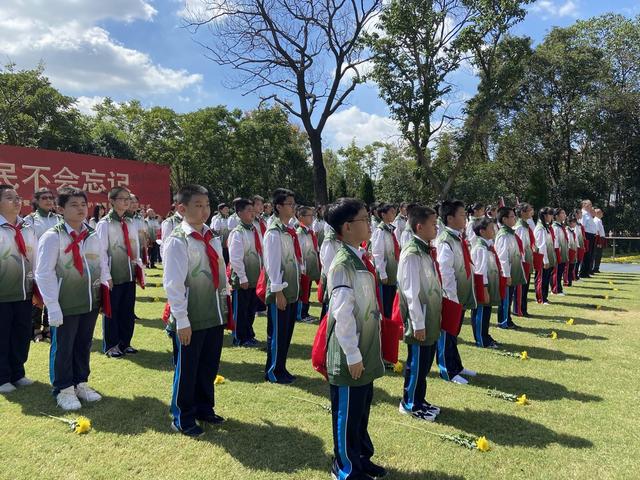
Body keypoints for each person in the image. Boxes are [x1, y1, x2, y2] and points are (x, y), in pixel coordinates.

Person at [325, 197, 386, 480]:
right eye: (364, 218)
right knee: (347, 412)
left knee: (361, 408)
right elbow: (342, 313)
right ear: (347, 227)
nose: (369, 222)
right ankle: (346, 466)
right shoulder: (342, 263)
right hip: (351, 349)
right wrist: (351, 354)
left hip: (365, 344)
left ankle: (361, 456)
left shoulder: (358, 256)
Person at [35, 187, 110, 410]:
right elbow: (43, 272)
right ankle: (63, 388)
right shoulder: (53, 236)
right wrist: (52, 306)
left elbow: (101, 262)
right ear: (61, 209)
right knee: (64, 345)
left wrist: (104, 284)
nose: (80, 210)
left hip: (89, 300)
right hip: (64, 302)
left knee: (83, 343)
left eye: (83, 205)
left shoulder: (92, 233)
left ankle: (80, 382)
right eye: (74, 205)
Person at [163, 185, 228, 437]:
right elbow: (173, 284)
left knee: (208, 366)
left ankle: (204, 408)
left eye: (207, 205)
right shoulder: (178, 241)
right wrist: (181, 319)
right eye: (198, 205)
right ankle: (183, 416)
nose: (205, 211)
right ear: (182, 208)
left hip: (214, 313)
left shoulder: (211, 235)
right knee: (187, 369)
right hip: (190, 316)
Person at [397, 205, 442, 421]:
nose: (436, 228)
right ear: (419, 226)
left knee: (425, 363)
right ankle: (409, 403)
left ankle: (420, 399)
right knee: (416, 364)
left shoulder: (424, 249)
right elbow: (410, 292)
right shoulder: (412, 253)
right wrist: (418, 323)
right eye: (433, 224)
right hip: (419, 319)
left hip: (430, 314)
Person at [0, 185, 38, 394]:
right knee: (2, 335)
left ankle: (18, 372)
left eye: (17, 197)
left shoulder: (27, 228)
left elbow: (37, 259)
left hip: (24, 292)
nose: (16, 201)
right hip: (2, 295)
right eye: (9, 198)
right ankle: (2, 376)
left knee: (22, 333)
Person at [96, 187, 142, 358]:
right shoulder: (104, 224)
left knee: (127, 311)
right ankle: (111, 345)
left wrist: (138, 270)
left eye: (128, 199)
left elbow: (135, 247)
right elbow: (101, 252)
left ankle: (125, 343)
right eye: (122, 198)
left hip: (129, 273)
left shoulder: (130, 222)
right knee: (112, 311)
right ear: (112, 201)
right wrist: (106, 276)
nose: (126, 202)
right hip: (113, 276)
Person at [263, 188, 302, 384]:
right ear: (278, 207)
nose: (293, 207)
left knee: (286, 333)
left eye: (293, 203)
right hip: (281, 291)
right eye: (289, 204)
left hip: (291, 290)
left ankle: (281, 367)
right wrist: (278, 291)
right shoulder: (274, 232)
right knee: (278, 333)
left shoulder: (289, 229)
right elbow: (272, 263)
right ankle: (273, 371)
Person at [436, 200, 477, 385]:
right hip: (450, 296)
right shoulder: (445, 240)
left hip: (460, 293)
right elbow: (445, 271)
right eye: (462, 215)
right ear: (450, 218)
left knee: (454, 332)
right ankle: (447, 370)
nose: (465, 218)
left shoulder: (458, 237)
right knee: (447, 334)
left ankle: (456, 365)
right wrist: (451, 298)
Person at [23, 188, 61, 342]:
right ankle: (36, 330)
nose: (48, 201)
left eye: (51, 198)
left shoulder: (58, 219)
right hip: (36, 265)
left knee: (52, 295)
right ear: (36, 201)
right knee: (37, 298)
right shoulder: (30, 220)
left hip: (57, 266)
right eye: (44, 198)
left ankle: (48, 328)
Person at [228, 198, 261, 347]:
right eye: (248, 210)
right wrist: (242, 277)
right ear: (239, 213)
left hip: (255, 277)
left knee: (251, 309)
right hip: (243, 279)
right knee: (241, 310)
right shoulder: (238, 232)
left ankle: (249, 334)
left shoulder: (254, 229)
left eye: (252, 210)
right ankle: (240, 337)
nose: (252, 213)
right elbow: (235, 258)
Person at [470, 217, 501, 348]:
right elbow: (480, 270)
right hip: (482, 285)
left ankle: (485, 335)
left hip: (487, 284)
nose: (494, 230)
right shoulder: (481, 248)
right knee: (481, 312)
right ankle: (481, 339)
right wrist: (484, 288)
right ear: (482, 231)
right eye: (490, 228)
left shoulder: (487, 246)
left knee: (486, 312)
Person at [495, 206, 526, 330]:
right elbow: (503, 257)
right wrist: (506, 275)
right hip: (506, 273)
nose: (515, 218)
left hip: (513, 270)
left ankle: (508, 319)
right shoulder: (503, 235)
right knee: (505, 298)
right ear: (504, 219)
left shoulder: (510, 233)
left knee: (509, 297)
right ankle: (503, 321)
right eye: (512, 216)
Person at [371, 203, 399, 320]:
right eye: (391, 212)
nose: (394, 214)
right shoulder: (380, 231)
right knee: (385, 302)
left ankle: (389, 324)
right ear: (383, 214)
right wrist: (382, 273)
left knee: (391, 301)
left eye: (394, 211)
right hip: (385, 272)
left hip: (393, 271)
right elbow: (377, 253)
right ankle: (385, 326)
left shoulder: (390, 229)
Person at [296, 205, 320, 323]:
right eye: (309, 215)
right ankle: (301, 314)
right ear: (301, 217)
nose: (312, 218)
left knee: (308, 289)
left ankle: (305, 312)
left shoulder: (309, 231)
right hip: (304, 267)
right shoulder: (300, 232)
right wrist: (301, 267)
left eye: (312, 215)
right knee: (303, 290)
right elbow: (299, 251)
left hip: (310, 265)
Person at [513, 203, 535, 317]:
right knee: (521, 286)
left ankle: (523, 308)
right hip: (522, 260)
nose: (531, 212)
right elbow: (519, 246)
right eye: (529, 210)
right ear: (522, 212)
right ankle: (518, 309)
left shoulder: (525, 225)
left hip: (527, 258)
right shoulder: (520, 227)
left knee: (525, 285)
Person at [534, 207, 556, 305]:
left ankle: (544, 297)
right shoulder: (540, 228)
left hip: (547, 256)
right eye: (550, 214)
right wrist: (545, 260)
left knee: (546, 278)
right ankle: (540, 298)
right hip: (542, 258)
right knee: (541, 278)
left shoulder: (545, 227)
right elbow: (541, 245)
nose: (552, 216)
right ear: (545, 216)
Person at [551, 208, 569, 296]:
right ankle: (555, 289)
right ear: (556, 216)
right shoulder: (555, 227)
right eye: (562, 213)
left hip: (563, 252)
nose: (565, 215)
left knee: (561, 271)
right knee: (557, 271)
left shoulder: (561, 226)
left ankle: (559, 288)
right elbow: (555, 241)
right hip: (558, 252)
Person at [579, 200, 597, 278]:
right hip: (587, 235)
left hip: (591, 236)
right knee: (586, 254)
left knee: (589, 255)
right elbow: (582, 226)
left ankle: (586, 272)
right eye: (590, 205)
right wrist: (583, 237)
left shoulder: (588, 214)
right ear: (584, 205)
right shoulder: (583, 214)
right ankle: (583, 273)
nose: (591, 207)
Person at [565, 215, 579, 287]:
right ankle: (567, 281)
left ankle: (569, 281)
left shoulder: (573, 231)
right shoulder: (567, 231)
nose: (575, 224)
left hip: (573, 250)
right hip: (569, 250)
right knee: (568, 267)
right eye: (574, 222)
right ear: (569, 223)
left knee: (572, 267)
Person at [593, 208, 606, 273]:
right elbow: (597, 231)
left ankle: (596, 267)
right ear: (597, 213)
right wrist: (599, 241)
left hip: (601, 238)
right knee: (597, 254)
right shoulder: (596, 221)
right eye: (601, 212)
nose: (602, 213)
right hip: (599, 239)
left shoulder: (599, 220)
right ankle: (595, 268)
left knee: (599, 254)